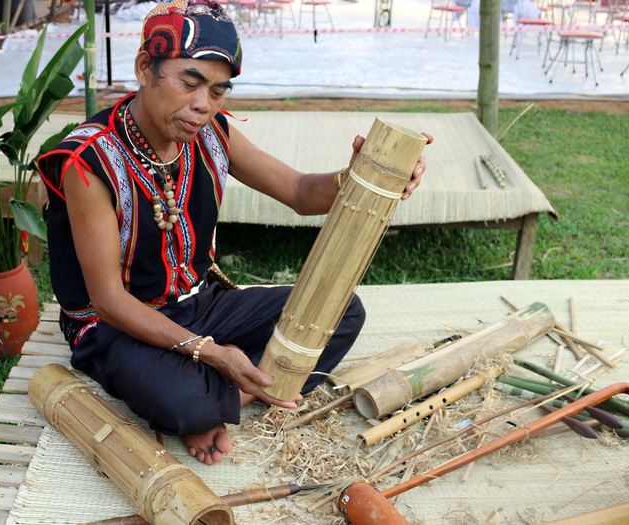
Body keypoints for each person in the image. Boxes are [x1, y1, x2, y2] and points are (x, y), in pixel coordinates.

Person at [38, 0, 430, 466]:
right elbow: (108, 300)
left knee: (342, 311)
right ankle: (227, 396)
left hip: (200, 304)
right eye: (190, 82)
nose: (203, 105)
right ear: (146, 68)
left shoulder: (212, 133)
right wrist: (213, 353)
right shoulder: (89, 161)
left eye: (219, 92)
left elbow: (302, 193)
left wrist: (365, 175)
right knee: (184, 401)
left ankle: (224, 403)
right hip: (117, 328)